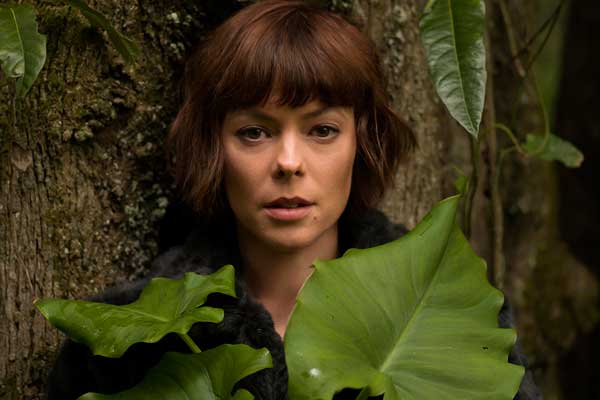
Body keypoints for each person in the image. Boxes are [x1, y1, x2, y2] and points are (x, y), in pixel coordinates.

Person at [46, 1, 540, 399]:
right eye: (254, 132)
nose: (288, 162)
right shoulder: (129, 339)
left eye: (322, 130)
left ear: (361, 144)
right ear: (213, 147)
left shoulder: (444, 314)